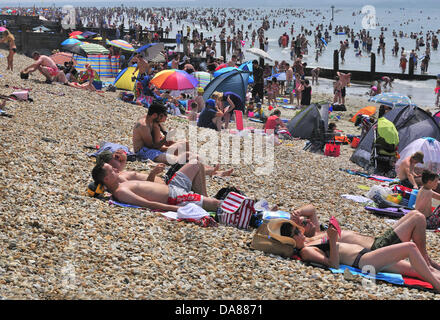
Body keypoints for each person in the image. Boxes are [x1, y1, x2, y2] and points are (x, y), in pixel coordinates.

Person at [275, 219, 440, 291]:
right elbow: (333, 264)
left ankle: (435, 279)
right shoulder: (306, 251)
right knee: (410, 247)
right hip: (363, 260)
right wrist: (332, 240)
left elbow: (312, 215)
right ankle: (437, 286)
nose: (300, 231)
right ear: (291, 240)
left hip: (368, 255)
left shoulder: (310, 241)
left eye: (298, 228)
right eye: (296, 232)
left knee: (420, 270)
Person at [91, 160, 221, 212]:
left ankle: (203, 198)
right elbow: (148, 204)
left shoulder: (121, 181)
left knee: (196, 163)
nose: (115, 169)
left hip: (173, 186)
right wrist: (177, 209)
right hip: (175, 197)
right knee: (216, 204)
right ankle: (208, 203)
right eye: (111, 170)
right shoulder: (121, 192)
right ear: (107, 179)